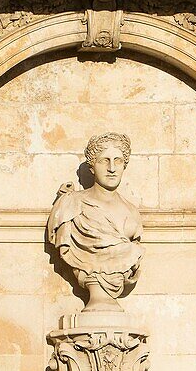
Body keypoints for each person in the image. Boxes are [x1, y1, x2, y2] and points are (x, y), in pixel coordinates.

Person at [47, 132, 144, 312]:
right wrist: (63, 200)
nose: (112, 168)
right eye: (104, 160)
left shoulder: (132, 214)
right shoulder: (71, 205)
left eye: (118, 161)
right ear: (92, 167)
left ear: (125, 166)